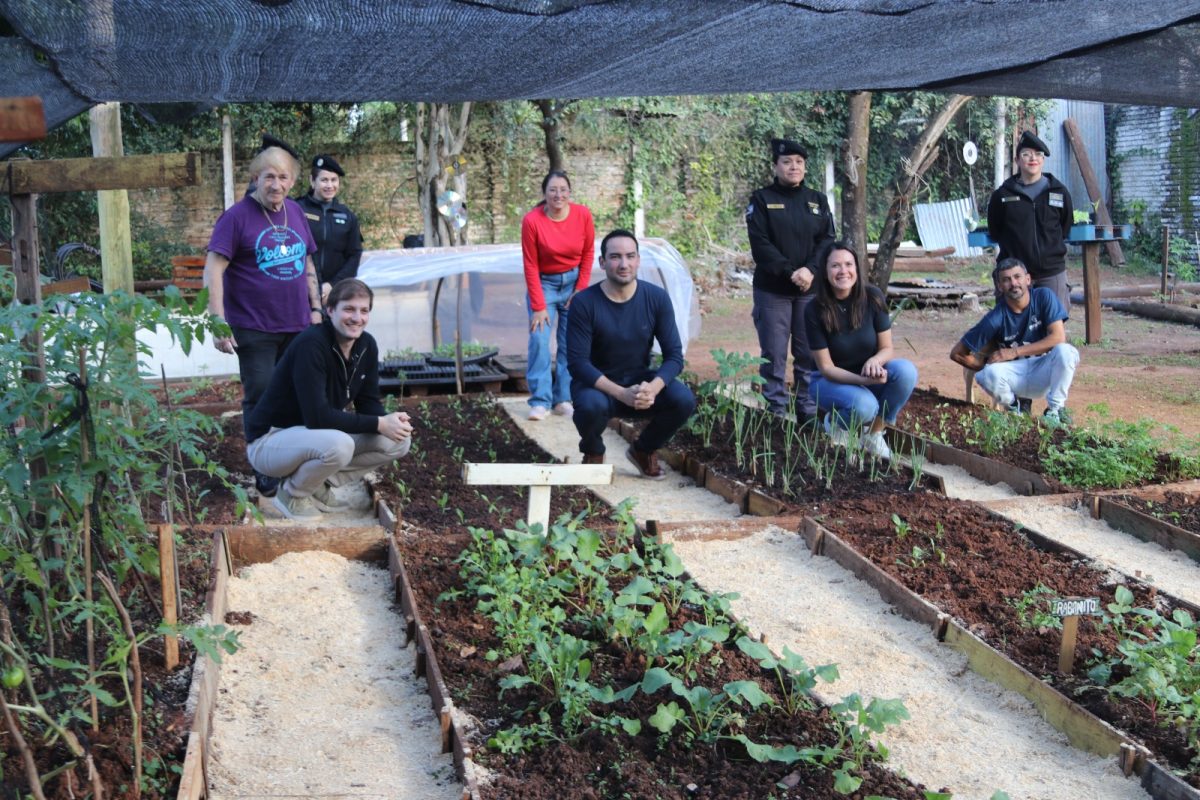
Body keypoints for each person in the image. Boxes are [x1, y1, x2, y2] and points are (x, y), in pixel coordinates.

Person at [205, 143, 323, 498]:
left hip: (298, 324)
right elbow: (213, 271)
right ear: (255, 179)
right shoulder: (236, 217)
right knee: (260, 394)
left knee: (299, 394)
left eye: (283, 177)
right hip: (253, 327)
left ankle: (293, 461)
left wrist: (316, 309)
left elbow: (307, 264)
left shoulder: (296, 213)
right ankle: (263, 466)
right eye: (269, 176)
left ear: (292, 181)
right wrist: (217, 321)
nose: (276, 183)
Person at [245, 279, 413, 520]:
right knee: (339, 444)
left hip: (312, 438)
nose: (357, 318)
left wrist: (388, 420)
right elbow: (317, 417)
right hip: (270, 441)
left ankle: (317, 485)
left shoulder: (366, 345)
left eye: (364, 310)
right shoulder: (311, 344)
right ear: (330, 310)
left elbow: (368, 403)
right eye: (349, 309)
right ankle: (292, 493)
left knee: (397, 441)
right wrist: (379, 424)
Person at [567, 229, 695, 480]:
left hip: (640, 382)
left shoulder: (656, 298)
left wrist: (654, 388)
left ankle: (643, 449)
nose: (623, 264)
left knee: (683, 399)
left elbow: (674, 356)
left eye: (630, 256)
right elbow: (577, 363)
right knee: (590, 406)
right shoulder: (584, 303)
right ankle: (593, 451)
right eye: (615, 257)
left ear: (638, 260)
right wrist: (621, 394)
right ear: (602, 262)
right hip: (598, 386)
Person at [746, 137, 836, 420]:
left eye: (799, 162)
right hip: (773, 291)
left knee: (808, 353)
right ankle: (775, 411)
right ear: (776, 166)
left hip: (811, 290)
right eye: (786, 162)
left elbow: (827, 240)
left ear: (805, 168)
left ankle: (807, 411)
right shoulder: (761, 199)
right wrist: (790, 271)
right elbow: (760, 244)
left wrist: (810, 270)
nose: (793, 167)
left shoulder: (817, 200)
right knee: (773, 354)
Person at [806, 242, 917, 460]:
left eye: (848, 264)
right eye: (835, 266)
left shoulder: (873, 297)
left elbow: (886, 348)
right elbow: (826, 368)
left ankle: (874, 434)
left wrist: (876, 361)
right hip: (829, 381)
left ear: (857, 268)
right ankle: (835, 422)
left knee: (906, 371)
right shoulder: (814, 309)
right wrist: (864, 381)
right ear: (825, 271)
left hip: (866, 375)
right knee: (865, 405)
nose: (843, 271)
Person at [950, 258, 1080, 425]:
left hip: (1044, 371)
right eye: (1006, 280)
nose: (1013, 283)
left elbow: (1058, 337)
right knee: (987, 374)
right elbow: (957, 353)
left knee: (1066, 351)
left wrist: (1013, 352)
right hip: (1014, 376)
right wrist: (986, 365)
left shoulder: (1043, 297)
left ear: (1028, 279)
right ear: (999, 286)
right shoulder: (995, 318)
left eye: (1017, 277)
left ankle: (1054, 411)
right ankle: (1013, 409)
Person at [521, 169, 595, 421]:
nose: (558, 194)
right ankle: (540, 400)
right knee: (539, 341)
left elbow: (588, 254)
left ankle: (562, 398)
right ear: (545, 193)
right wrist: (539, 305)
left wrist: (580, 292)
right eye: (552, 190)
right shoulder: (532, 221)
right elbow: (530, 264)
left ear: (570, 192)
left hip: (574, 282)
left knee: (570, 343)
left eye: (563, 189)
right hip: (544, 284)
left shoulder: (583, 215)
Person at [986, 130, 1074, 310]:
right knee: (1010, 327)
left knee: (1054, 326)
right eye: (1026, 154)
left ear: (1043, 160)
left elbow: (1065, 227)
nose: (1032, 159)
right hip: (1014, 274)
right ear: (1017, 160)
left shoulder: (1059, 192)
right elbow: (995, 230)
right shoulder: (1002, 195)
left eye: (1038, 155)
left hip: (1051, 272)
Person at [297, 154, 364, 304]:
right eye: (324, 180)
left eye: (334, 180)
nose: (329, 185)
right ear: (312, 181)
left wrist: (332, 285)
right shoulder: (297, 210)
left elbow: (354, 255)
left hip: (335, 294)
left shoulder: (347, 216)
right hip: (300, 291)